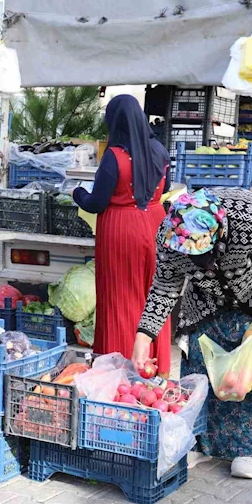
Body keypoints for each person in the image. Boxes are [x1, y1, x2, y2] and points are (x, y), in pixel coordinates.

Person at [133, 187, 252, 479]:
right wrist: (145, 334)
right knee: (204, 369)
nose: (201, 264)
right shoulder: (170, 236)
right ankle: (205, 441)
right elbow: (165, 287)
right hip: (207, 303)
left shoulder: (249, 216)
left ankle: (248, 446)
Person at [72, 95, 173, 376]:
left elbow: (95, 203)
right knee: (154, 297)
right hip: (155, 225)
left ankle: (121, 370)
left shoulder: (114, 157)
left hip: (121, 231)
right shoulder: (160, 151)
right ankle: (157, 366)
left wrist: (76, 192)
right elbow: (165, 187)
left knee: (122, 298)